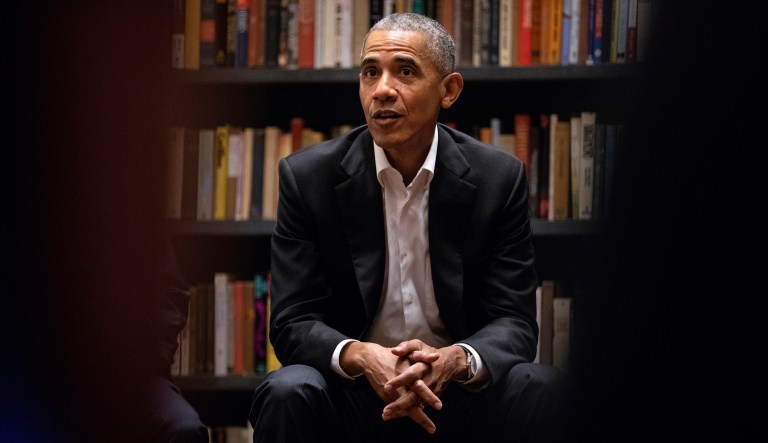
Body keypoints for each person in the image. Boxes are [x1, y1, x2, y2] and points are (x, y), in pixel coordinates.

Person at [249, 12, 568, 443]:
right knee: (287, 389)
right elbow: (292, 320)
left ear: (449, 90)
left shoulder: (497, 178)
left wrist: (454, 360)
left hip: (456, 395)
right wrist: (362, 355)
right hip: (354, 395)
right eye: (370, 72)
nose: (382, 89)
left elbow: (514, 321)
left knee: (542, 385)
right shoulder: (308, 178)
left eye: (405, 71)